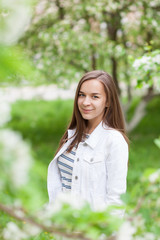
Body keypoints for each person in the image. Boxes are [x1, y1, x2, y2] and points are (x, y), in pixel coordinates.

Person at [47, 70, 129, 215]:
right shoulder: (73, 134)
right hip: (65, 227)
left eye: (95, 97)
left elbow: (116, 201)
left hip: (93, 231)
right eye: (82, 95)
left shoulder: (113, 141)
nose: (85, 102)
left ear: (108, 101)